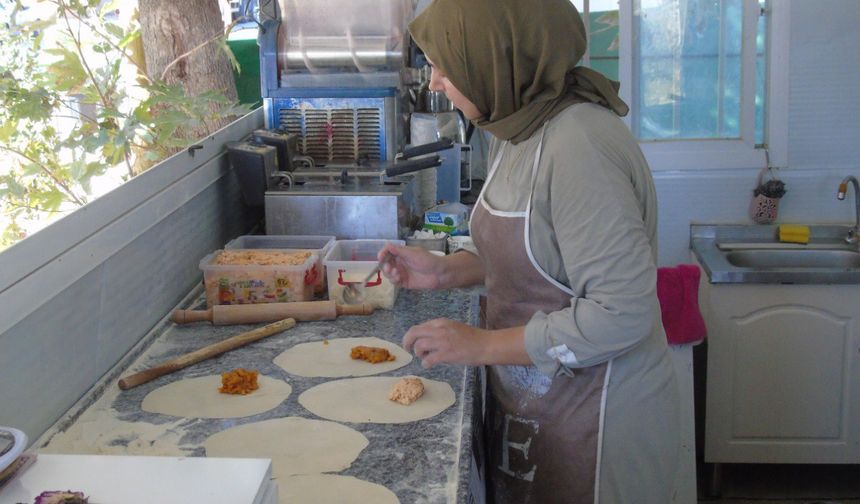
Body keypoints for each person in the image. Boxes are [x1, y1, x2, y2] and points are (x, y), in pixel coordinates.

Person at [380, 0, 680, 502]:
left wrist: (479, 346)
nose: (434, 82)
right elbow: (537, 255)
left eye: (443, 66)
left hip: (597, 420)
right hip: (541, 406)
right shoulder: (518, 129)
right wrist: (445, 273)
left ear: (494, 59)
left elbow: (624, 314)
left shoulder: (579, 145)